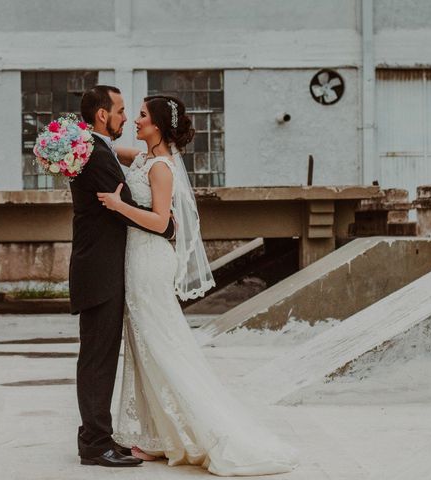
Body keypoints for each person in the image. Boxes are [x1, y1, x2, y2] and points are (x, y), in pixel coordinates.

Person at [97, 95, 298, 476]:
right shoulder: (142, 158)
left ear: (156, 125)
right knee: (144, 345)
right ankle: (157, 436)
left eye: (141, 116)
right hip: (135, 258)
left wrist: (117, 205)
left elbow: (160, 222)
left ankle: (191, 431)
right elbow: (107, 148)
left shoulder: (161, 167)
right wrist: (77, 139)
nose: (135, 121)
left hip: (150, 260)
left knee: (159, 343)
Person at [69, 85, 175, 467]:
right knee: (98, 358)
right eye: (121, 111)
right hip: (100, 270)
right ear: (102, 116)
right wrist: (168, 227)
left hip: (102, 266)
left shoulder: (98, 148)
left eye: (137, 113)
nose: (127, 118)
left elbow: (135, 162)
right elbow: (129, 206)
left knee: (97, 356)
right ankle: (95, 443)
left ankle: (96, 436)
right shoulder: (96, 153)